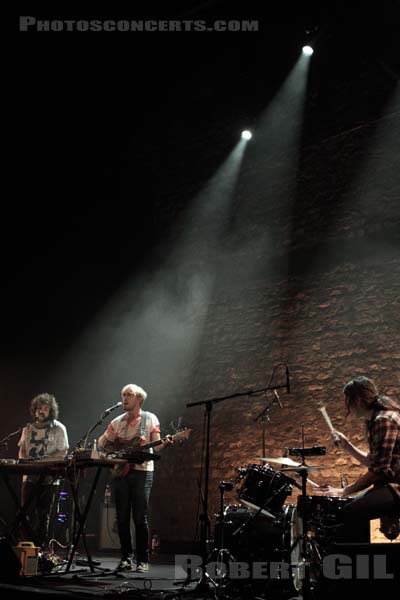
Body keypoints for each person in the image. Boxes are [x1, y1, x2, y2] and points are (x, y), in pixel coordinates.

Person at [98, 383, 172, 573]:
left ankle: (142, 560)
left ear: (139, 398)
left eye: (129, 394)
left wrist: (166, 443)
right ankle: (125, 558)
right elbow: (101, 443)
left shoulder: (149, 419)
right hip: (120, 473)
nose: (124, 398)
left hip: (142, 472)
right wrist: (112, 457)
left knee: (140, 517)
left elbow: (156, 447)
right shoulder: (117, 421)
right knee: (121, 518)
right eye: (123, 394)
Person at [324, 376, 400, 528]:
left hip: (397, 486)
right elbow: (375, 463)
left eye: (348, 401)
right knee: (349, 507)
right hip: (393, 484)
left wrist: (344, 491)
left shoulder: (383, 420)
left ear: (357, 401)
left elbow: (379, 471)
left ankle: (347, 552)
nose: (348, 407)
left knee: (348, 510)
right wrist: (348, 446)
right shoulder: (376, 419)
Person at [18, 393, 69, 548]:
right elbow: (22, 449)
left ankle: (40, 549)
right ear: (34, 410)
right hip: (30, 477)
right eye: (39, 408)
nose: (41, 411)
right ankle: (25, 547)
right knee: (24, 513)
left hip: (48, 479)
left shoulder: (59, 428)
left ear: (51, 411)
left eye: (46, 409)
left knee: (43, 514)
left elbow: (63, 452)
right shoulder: (28, 428)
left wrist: (46, 461)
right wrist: (24, 466)